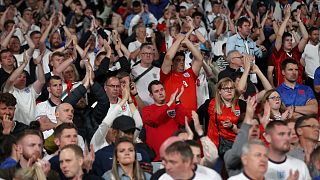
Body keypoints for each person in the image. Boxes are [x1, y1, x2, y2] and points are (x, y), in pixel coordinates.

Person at [160, 16, 203, 115]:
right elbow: (168, 57)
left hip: (191, 118)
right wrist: (179, 39)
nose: (182, 62)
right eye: (178, 60)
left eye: (183, 60)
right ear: (173, 62)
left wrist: (187, 41)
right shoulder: (166, 75)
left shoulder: (190, 74)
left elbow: (199, 59)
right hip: (173, 118)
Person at [141, 80, 187, 161]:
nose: (160, 93)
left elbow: (184, 121)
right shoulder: (147, 110)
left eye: (162, 89)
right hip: (157, 158)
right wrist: (168, 104)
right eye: (156, 91)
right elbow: (152, 120)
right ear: (151, 95)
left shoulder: (175, 107)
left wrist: (177, 101)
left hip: (176, 156)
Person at [267, 4, 308, 87]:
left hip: (298, 89)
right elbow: (279, 35)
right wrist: (286, 18)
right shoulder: (278, 54)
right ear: (282, 43)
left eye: (290, 40)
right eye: (287, 40)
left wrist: (299, 21)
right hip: (283, 90)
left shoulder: (296, 53)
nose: (290, 42)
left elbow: (305, 37)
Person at [197, 78, 240, 151]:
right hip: (213, 145)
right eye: (226, 88)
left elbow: (246, 130)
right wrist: (201, 132)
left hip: (234, 145)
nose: (229, 90)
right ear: (220, 91)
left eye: (231, 88)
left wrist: (232, 126)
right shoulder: (210, 103)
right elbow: (197, 115)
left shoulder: (241, 105)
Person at [224, 96, 261, 176]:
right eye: (250, 127)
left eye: (257, 127)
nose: (255, 129)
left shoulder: (264, 153)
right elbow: (238, 154)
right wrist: (248, 117)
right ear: (242, 129)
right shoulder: (230, 153)